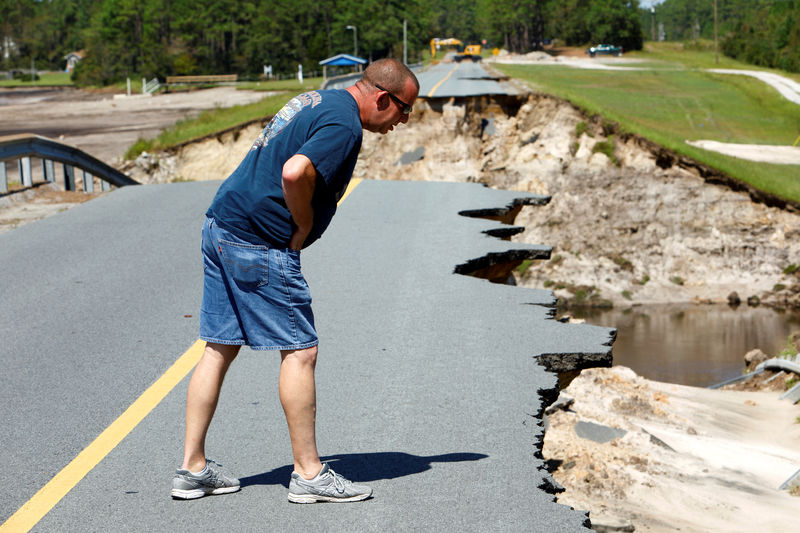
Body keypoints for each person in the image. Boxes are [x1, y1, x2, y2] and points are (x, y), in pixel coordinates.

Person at [171, 58, 419, 503]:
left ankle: (193, 469)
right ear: (383, 97)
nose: (402, 121)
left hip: (221, 224)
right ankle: (309, 474)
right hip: (258, 242)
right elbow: (294, 171)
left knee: (219, 346)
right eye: (404, 110)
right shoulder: (345, 125)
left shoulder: (320, 99)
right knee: (301, 351)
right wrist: (302, 225)